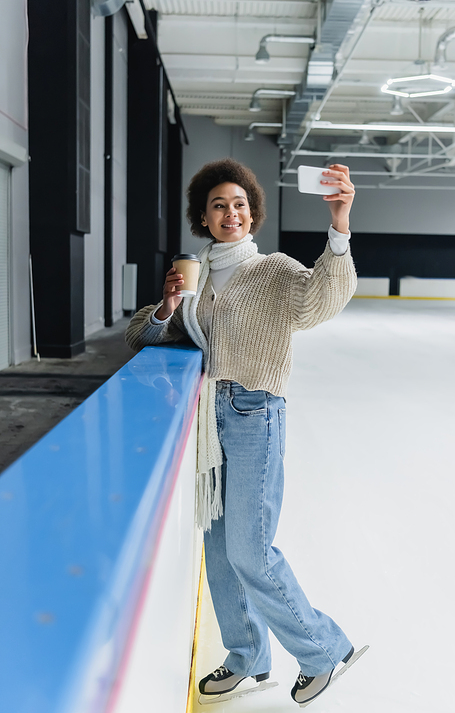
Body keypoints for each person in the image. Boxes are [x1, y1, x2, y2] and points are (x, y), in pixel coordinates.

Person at [125, 158, 366, 708]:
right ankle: (247, 659)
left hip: (255, 412)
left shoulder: (273, 270)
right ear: (203, 219)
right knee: (219, 549)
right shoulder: (196, 277)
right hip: (210, 422)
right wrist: (167, 305)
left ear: (252, 215)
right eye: (218, 205)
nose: (230, 212)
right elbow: (142, 334)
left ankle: (324, 650)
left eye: (239, 204)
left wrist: (340, 227)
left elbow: (319, 301)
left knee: (251, 552)